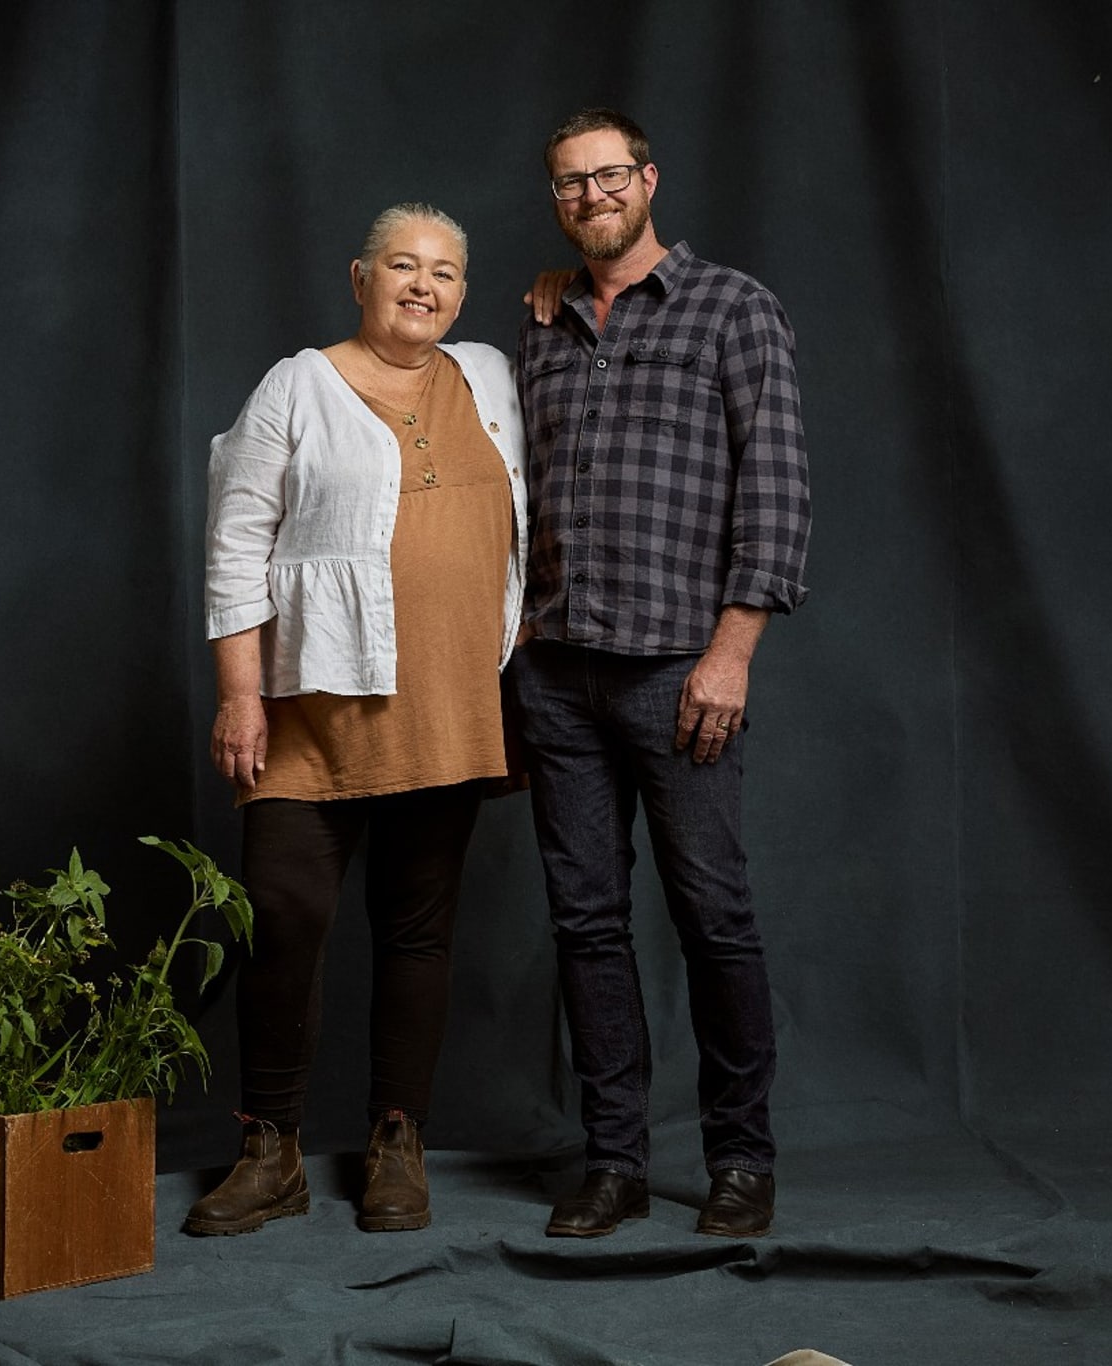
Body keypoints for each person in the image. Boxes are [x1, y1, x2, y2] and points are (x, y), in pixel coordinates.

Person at [188, 203, 527, 1236]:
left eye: (443, 272)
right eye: (400, 265)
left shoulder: (490, 376)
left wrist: (553, 287)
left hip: (449, 699)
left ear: (463, 293)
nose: (421, 285)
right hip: (311, 708)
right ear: (358, 276)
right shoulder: (295, 383)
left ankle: (395, 1141)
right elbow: (235, 536)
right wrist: (240, 692)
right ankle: (270, 1146)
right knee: (284, 918)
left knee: (416, 931)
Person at [508, 109, 811, 1239]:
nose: (588, 196)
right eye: (566, 185)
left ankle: (739, 1159)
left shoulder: (733, 310)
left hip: (676, 672)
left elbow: (774, 494)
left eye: (605, 177)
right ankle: (613, 1162)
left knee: (711, 916)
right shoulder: (540, 323)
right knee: (585, 924)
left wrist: (729, 652)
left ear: (647, 180)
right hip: (556, 675)